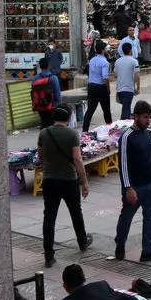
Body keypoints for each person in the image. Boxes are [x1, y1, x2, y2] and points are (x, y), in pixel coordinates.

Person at [114, 100, 151, 262]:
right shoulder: (126, 137)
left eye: (150, 117)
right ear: (136, 117)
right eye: (145, 117)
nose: (148, 120)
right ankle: (120, 243)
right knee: (126, 217)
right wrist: (128, 188)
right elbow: (123, 165)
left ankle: (148, 251)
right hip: (134, 187)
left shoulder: (150, 134)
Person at [38, 106, 91, 267]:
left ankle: (49, 255)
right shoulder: (72, 134)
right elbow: (77, 159)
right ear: (68, 118)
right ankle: (82, 242)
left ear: (54, 118)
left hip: (50, 180)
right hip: (69, 180)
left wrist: (48, 168)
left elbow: (40, 156)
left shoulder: (44, 133)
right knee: (76, 212)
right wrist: (84, 181)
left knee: (49, 217)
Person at [81, 41, 113, 132]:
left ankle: (84, 130)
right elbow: (105, 78)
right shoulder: (104, 62)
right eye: (105, 49)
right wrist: (108, 89)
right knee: (106, 110)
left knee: (90, 110)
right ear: (103, 50)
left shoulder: (92, 60)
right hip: (101, 88)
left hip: (91, 87)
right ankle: (110, 129)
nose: (106, 50)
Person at [30, 58, 62, 130]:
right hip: (52, 106)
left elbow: (33, 92)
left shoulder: (35, 78)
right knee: (52, 125)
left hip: (40, 106)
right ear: (49, 66)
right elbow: (58, 95)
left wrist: (34, 105)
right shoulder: (53, 78)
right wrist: (60, 105)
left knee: (44, 123)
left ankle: (43, 136)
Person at [114, 42, 140, 120]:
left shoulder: (117, 61)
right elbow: (137, 76)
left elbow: (115, 75)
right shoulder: (134, 61)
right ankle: (122, 125)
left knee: (127, 109)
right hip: (128, 90)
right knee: (125, 113)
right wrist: (138, 88)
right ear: (130, 50)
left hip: (119, 90)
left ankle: (126, 123)